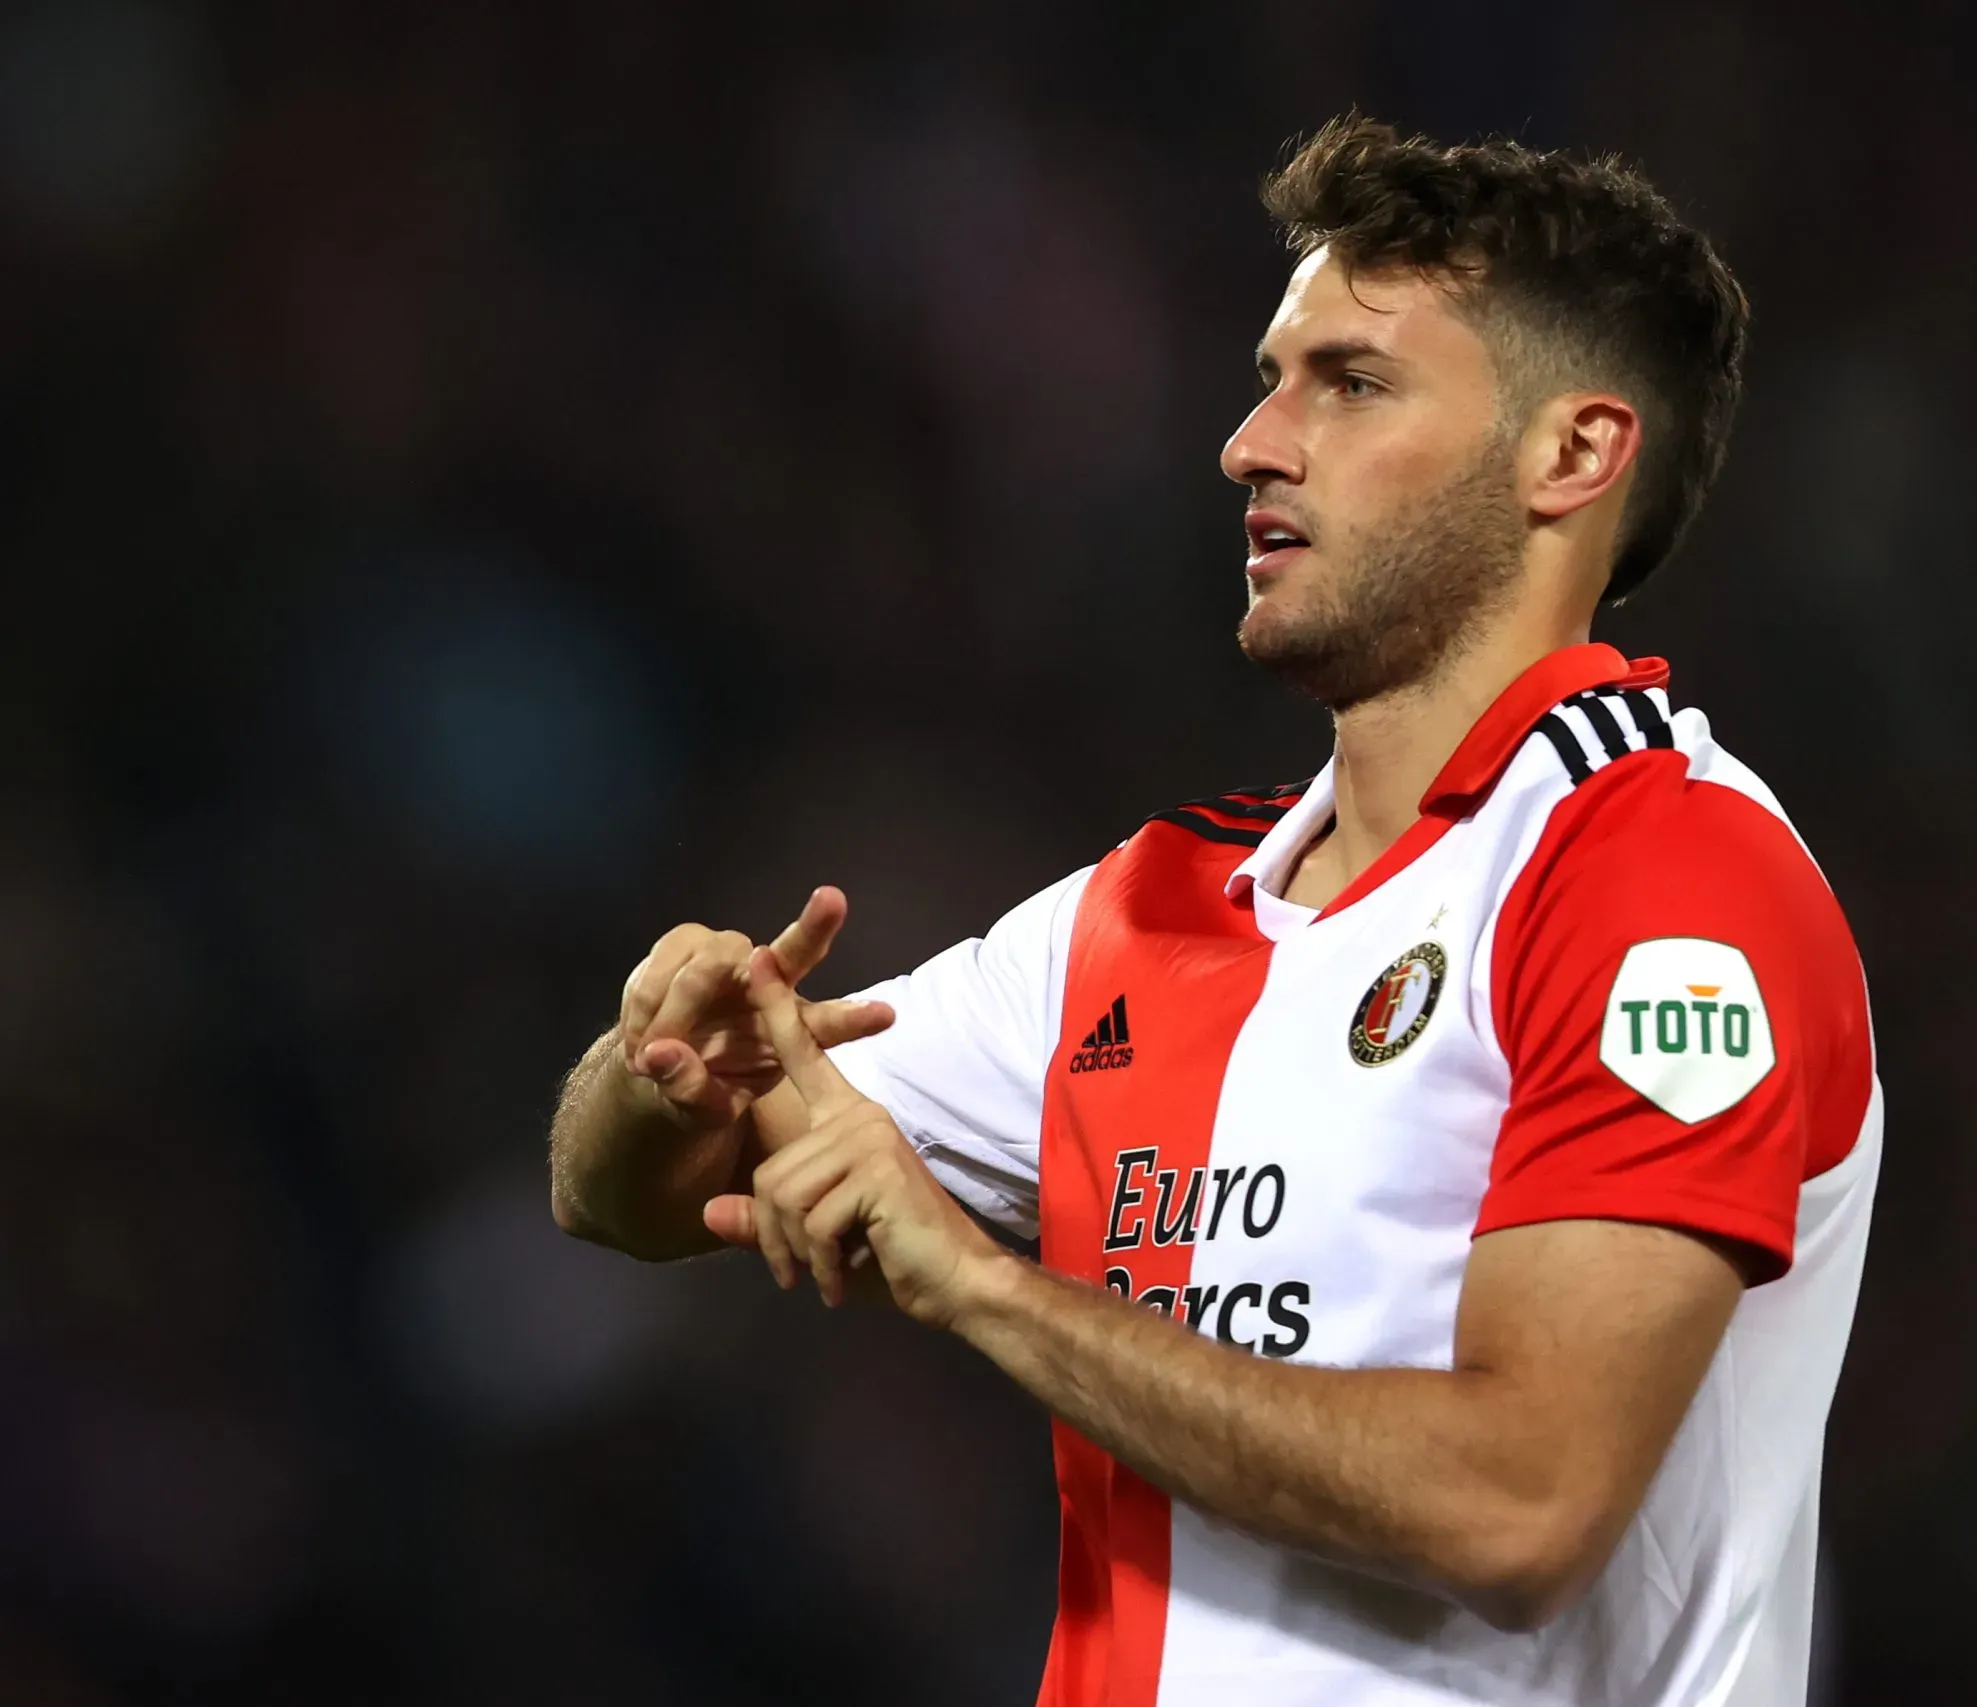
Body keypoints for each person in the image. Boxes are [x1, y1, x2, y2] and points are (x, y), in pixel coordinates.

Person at [550, 114, 1880, 1707]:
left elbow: (1523, 1502)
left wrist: (982, 1284)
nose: (1255, 440)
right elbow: (628, 1195)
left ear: (1573, 454)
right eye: (1271, 375)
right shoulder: (1144, 914)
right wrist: (655, 1069)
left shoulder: (1668, 875)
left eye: (1354, 382)